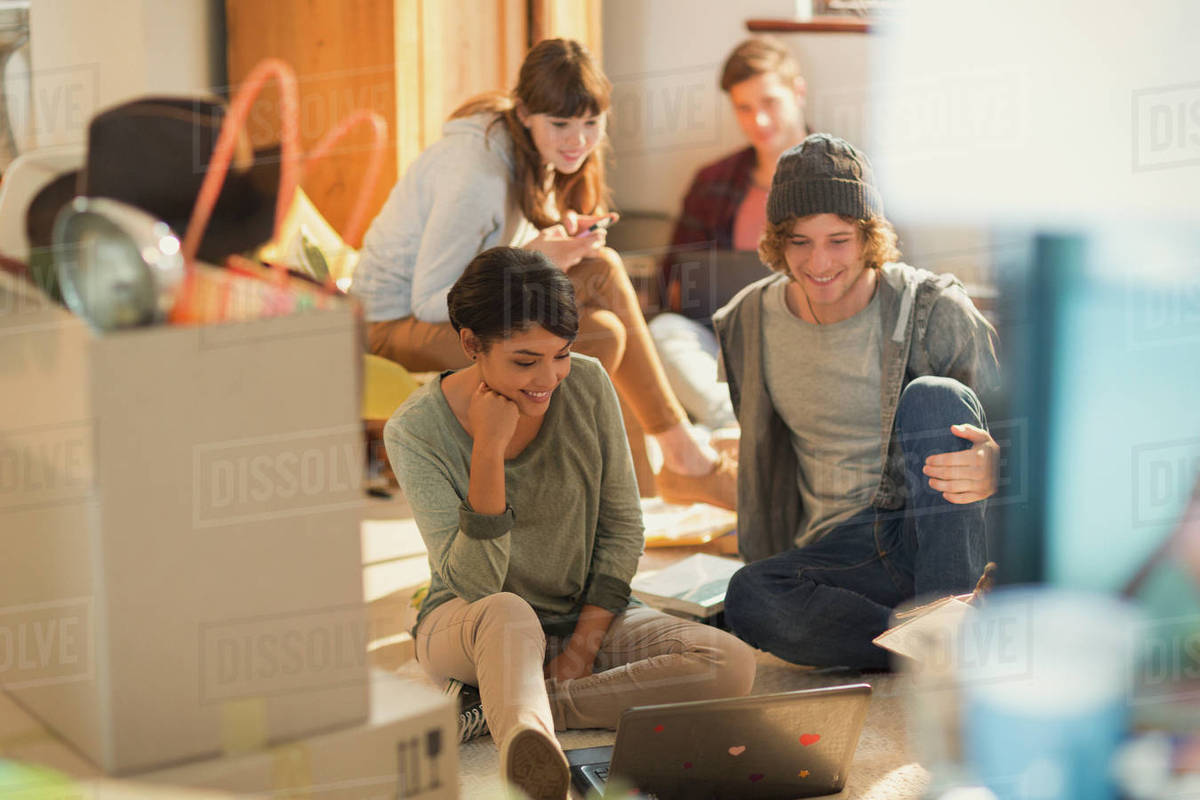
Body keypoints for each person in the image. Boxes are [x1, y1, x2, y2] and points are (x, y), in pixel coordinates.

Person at [384, 247, 756, 799]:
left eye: (561, 354)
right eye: (525, 360)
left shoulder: (587, 383)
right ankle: (527, 737)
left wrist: (583, 648)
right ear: (471, 345)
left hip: (583, 615)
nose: (549, 378)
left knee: (730, 663)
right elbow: (477, 585)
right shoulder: (414, 431)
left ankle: (501, 706)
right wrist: (488, 449)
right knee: (509, 613)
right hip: (473, 623)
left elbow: (623, 529)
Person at [355, 38, 734, 508]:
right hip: (391, 327)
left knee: (601, 278)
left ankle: (669, 467)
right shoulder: (477, 175)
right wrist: (535, 254)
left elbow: (491, 253)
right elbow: (431, 300)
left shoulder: (523, 147)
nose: (578, 140)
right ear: (525, 112)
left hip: (459, 308)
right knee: (598, 335)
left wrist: (555, 237)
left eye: (591, 123)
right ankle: (651, 476)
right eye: (560, 124)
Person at [717, 134, 1002, 670]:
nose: (818, 262)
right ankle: (936, 643)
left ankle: (942, 619)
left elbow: (1033, 441)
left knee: (935, 398)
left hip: (929, 532)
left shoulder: (935, 310)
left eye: (838, 240)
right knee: (748, 597)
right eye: (799, 242)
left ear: (869, 236)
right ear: (779, 241)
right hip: (839, 555)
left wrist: (997, 463)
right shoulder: (747, 322)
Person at [649, 36, 809, 431]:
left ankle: (735, 432)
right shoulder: (711, 183)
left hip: (807, 348)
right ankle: (739, 428)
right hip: (723, 348)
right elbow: (672, 279)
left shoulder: (843, 175)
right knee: (664, 332)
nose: (759, 121)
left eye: (770, 102)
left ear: (798, 92)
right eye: (744, 108)